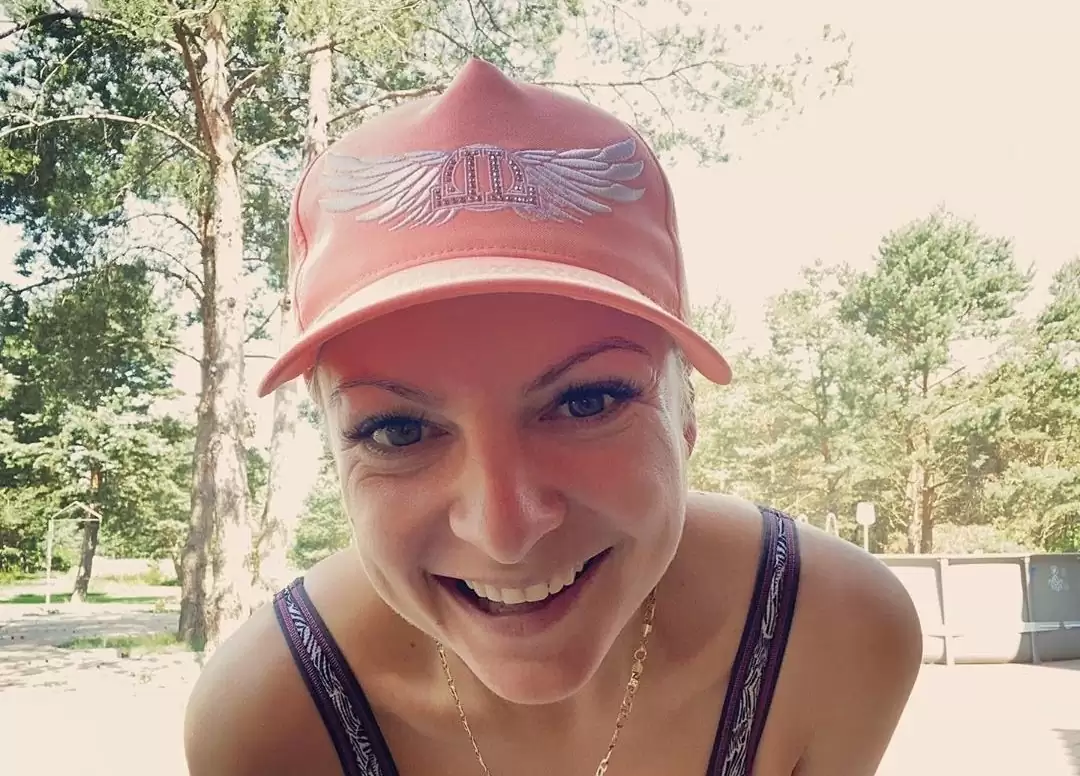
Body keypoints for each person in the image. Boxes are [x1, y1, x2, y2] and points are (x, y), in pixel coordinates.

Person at [183, 58, 922, 776]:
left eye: (586, 402)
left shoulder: (829, 640)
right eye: (398, 431)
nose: (505, 532)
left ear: (685, 412)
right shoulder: (273, 724)